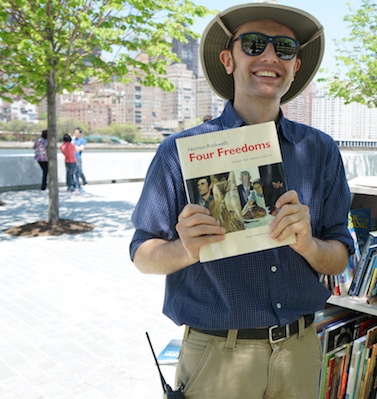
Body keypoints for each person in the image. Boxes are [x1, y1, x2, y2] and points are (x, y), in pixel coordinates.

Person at [130, 3, 353, 398]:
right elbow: (142, 254)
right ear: (227, 59)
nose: (269, 57)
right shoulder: (179, 151)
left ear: (296, 65)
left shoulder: (320, 150)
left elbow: (340, 254)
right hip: (217, 358)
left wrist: (309, 245)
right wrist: (186, 249)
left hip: (300, 353)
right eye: (253, 44)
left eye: (284, 48)